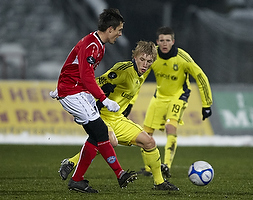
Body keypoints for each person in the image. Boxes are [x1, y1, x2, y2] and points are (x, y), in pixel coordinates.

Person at [58, 41, 179, 191]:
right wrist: (103, 91)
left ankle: (159, 183)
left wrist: (127, 106)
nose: (145, 64)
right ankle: (74, 165)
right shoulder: (122, 70)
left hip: (117, 118)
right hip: (101, 116)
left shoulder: (142, 73)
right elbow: (94, 82)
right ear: (134, 57)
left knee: (149, 143)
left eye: (149, 61)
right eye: (142, 59)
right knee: (110, 141)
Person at [49, 8, 137, 193]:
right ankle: (119, 174)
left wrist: (98, 91)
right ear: (110, 29)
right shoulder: (91, 45)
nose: (120, 34)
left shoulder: (98, 45)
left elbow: (81, 71)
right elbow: (86, 75)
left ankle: (77, 180)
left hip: (78, 91)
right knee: (101, 132)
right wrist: (103, 99)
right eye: (119, 30)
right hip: (72, 93)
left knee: (97, 136)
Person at [141, 26, 213, 178]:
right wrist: (128, 102)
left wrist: (206, 104)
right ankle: (148, 168)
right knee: (145, 133)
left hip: (178, 96)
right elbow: (138, 77)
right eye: (161, 40)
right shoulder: (151, 55)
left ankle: (166, 165)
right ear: (157, 42)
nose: (164, 44)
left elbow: (201, 77)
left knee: (170, 126)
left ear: (173, 41)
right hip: (159, 96)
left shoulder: (183, 58)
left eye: (168, 40)